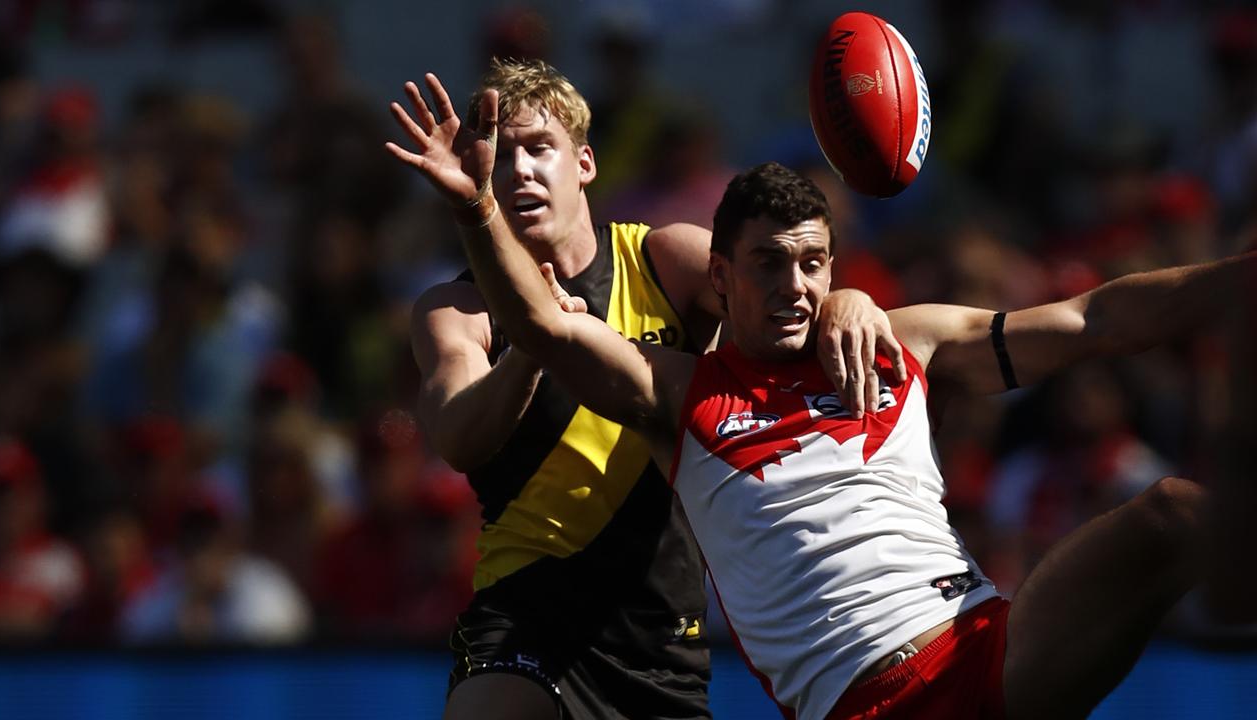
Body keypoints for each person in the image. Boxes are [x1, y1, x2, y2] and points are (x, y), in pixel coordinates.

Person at [389, 82, 1255, 719]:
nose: (796, 285)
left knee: (1177, 514)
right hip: (859, 703)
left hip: (987, 654)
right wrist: (474, 207)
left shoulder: (902, 343)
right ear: (721, 281)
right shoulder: (679, 395)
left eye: (813, 263)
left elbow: (1096, 317)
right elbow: (543, 327)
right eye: (768, 264)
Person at [393, 63, 902, 720]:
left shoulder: (665, 259)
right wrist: (535, 344)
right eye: (502, 155)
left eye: (539, 148)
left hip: (660, 627)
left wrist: (849, 300)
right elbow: (459, 438)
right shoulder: (455, 307)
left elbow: (783, 306)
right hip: (524, 612)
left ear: (584, 164)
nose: (519, 170)